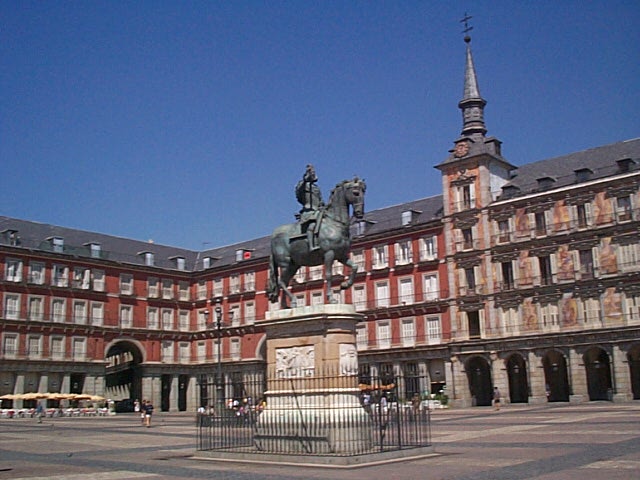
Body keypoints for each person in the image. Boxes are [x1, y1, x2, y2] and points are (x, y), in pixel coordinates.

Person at [295, 164, 324, 251]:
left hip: (318, 211)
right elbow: (299, 193)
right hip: (308, 211)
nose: (313, 175)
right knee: (312, 226)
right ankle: (311, 246)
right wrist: (306, 175)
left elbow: (321, 200)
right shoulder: (302, 185)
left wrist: (322, 205)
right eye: (311, 173)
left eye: (313, 173)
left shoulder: (316, 188)